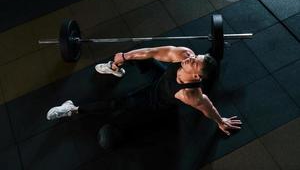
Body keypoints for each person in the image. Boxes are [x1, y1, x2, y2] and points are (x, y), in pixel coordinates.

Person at [47, 46, 242, 136]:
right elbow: (151, 51)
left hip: (155, 100)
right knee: (140, 56)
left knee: (117, 105)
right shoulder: (184, 54)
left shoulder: (190, 94)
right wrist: (122, 57)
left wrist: (220, 121)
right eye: (195, 56)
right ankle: (114, 68)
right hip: (160, 79)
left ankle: (72, 108)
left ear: (197, 77)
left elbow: (206, 106)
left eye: (194, 63)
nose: (190, 58)